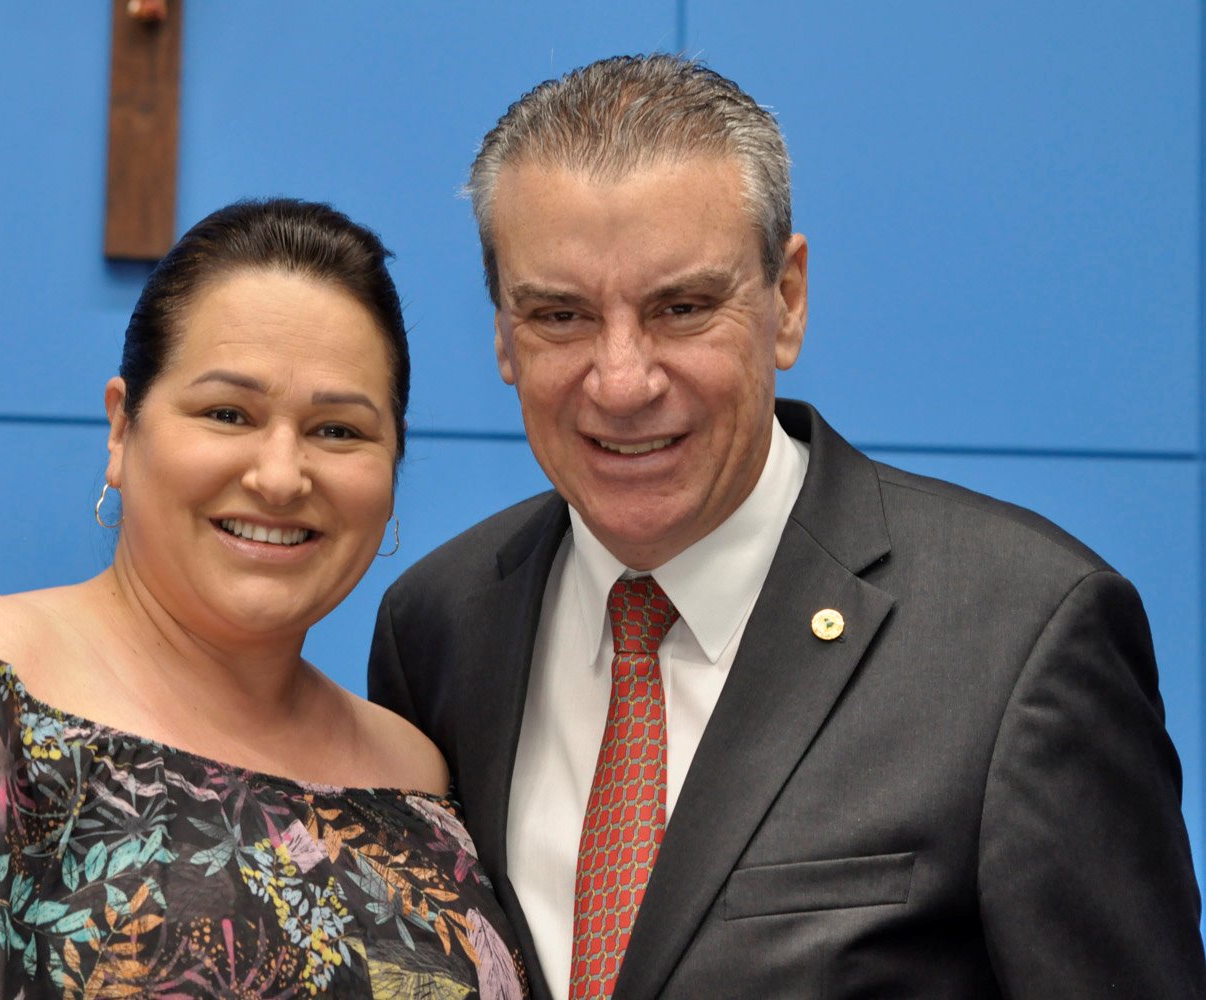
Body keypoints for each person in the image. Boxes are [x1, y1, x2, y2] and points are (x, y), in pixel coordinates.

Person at [368, 54, 1206, 999]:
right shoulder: (437, 630)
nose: (622, 381)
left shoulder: (1018, 637)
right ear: (502, 334)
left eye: (682, 308)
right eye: (560, 315)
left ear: (788, 300)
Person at [0, 199, 529, 999]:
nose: (280, 476)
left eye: (338, 431)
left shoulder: (416, 777)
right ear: (122, 429)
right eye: (228, 414)